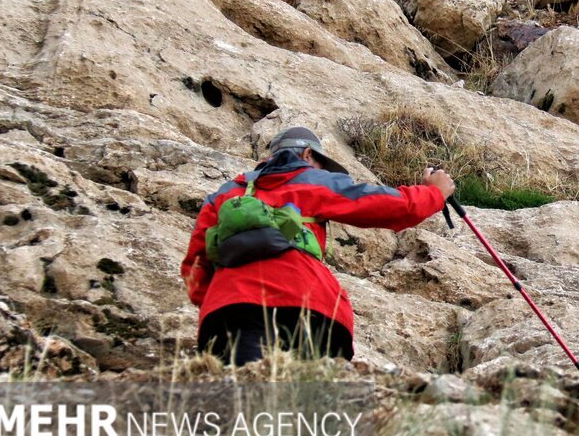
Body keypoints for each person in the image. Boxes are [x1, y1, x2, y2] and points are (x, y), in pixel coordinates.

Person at [181, 126, 454, 365]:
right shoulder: (311, 180)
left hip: (231, 313)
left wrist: (220, 300)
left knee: (244, 408)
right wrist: (434, 193)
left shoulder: (225, 194)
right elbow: (387, 206)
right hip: (308, 307)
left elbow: (195, 271)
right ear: (307, 156)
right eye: (321, 162)